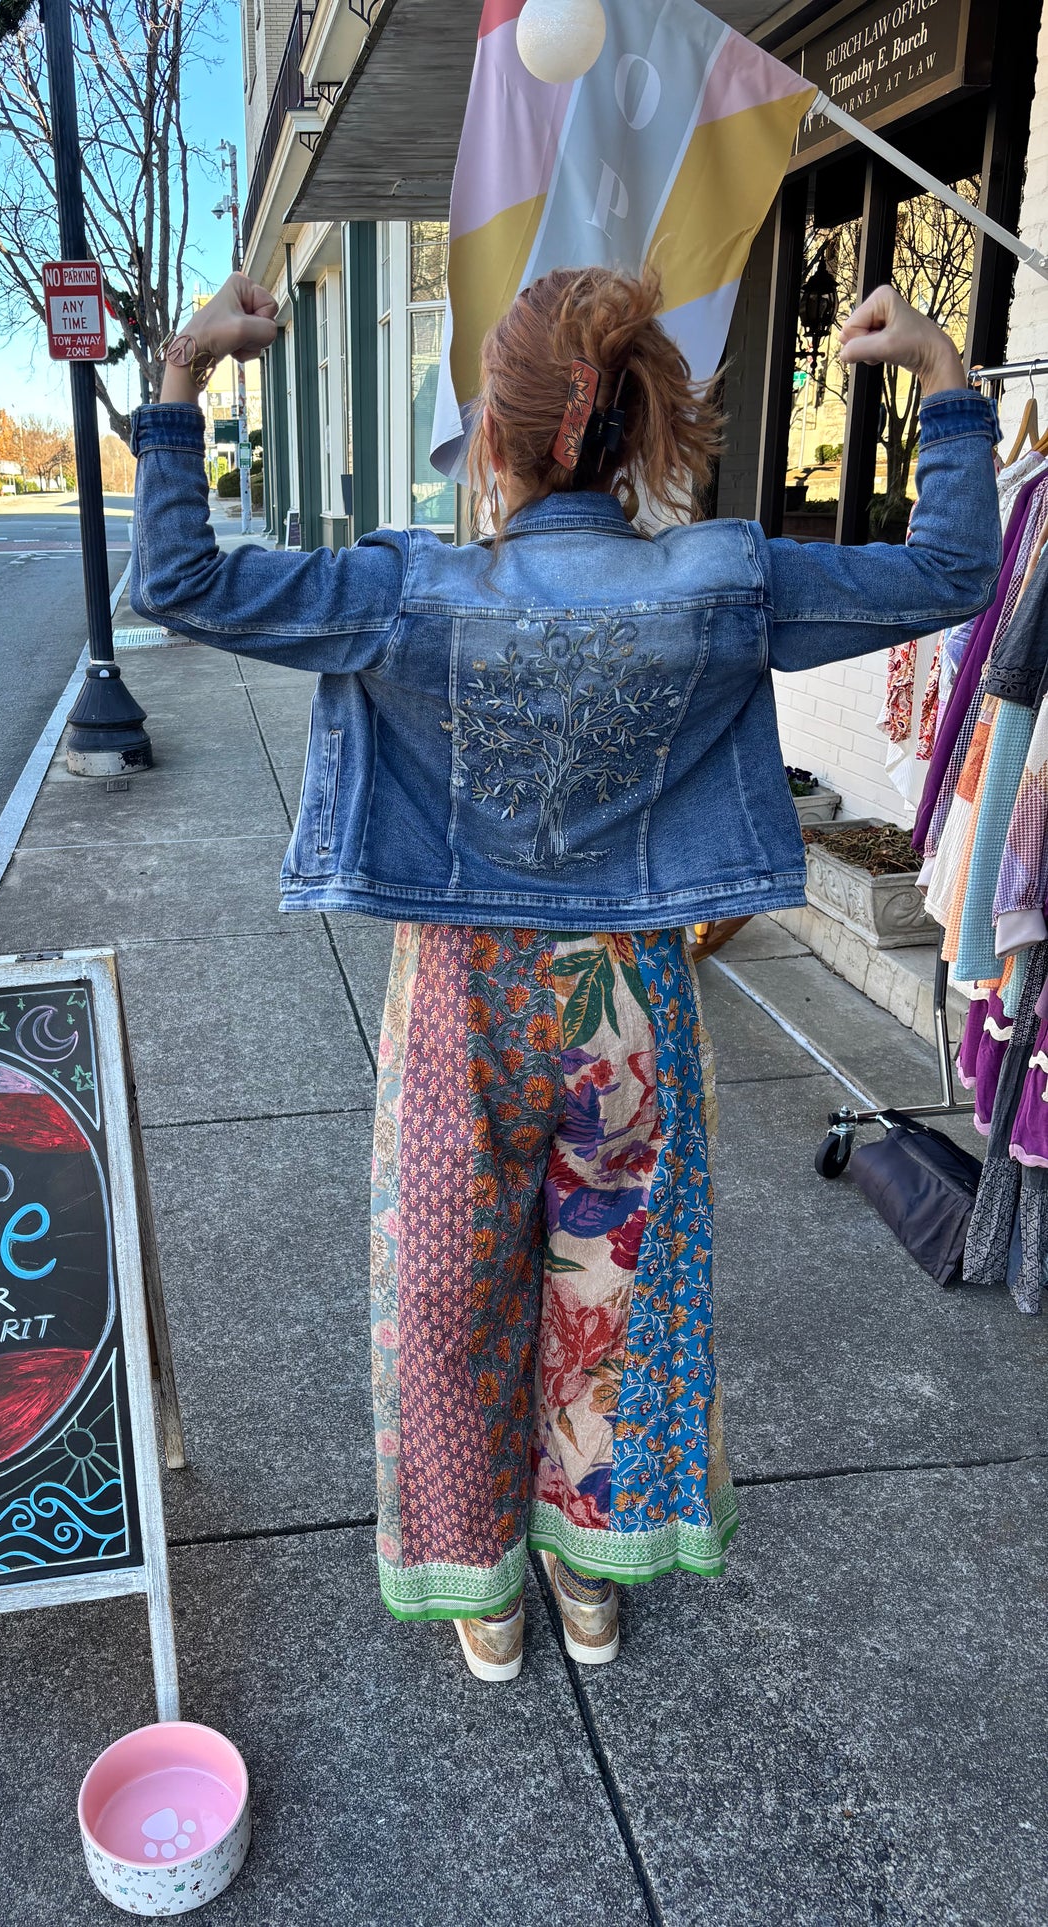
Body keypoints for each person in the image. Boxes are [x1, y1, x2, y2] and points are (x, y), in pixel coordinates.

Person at [130, 268, 999, 1680]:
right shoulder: (725, 578)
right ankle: (589, 1578)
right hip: (628, 1003)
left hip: (461, 997)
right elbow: (951, 573)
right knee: (617, 1292)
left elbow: (177, 582)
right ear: (633, 424)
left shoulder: (405, 590)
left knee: (447, 1293)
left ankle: (483, 1589)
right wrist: (945, 381)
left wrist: (181, 386)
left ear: (497, 436)